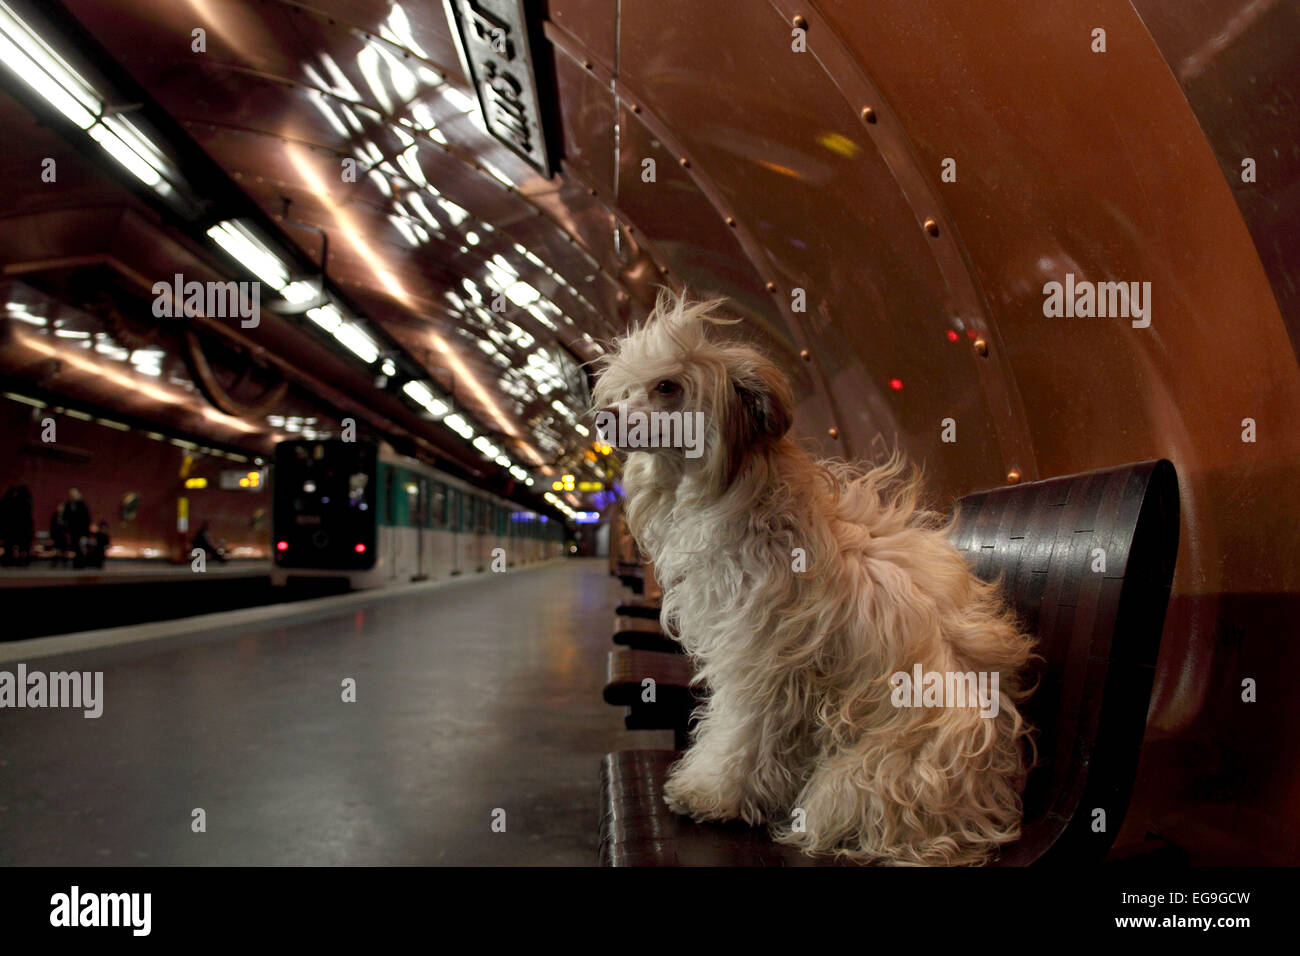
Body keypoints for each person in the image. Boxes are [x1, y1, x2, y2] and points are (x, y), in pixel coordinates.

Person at [61, 488, 91, 569]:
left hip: (81, 530)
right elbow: (65, 517)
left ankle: (81, 564)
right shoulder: (68, 504)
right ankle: (76, 564)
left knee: (80, 548)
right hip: (72, 530)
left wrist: (85, 533)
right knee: (74, 547)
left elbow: (86, 519)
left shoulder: (82, 505)